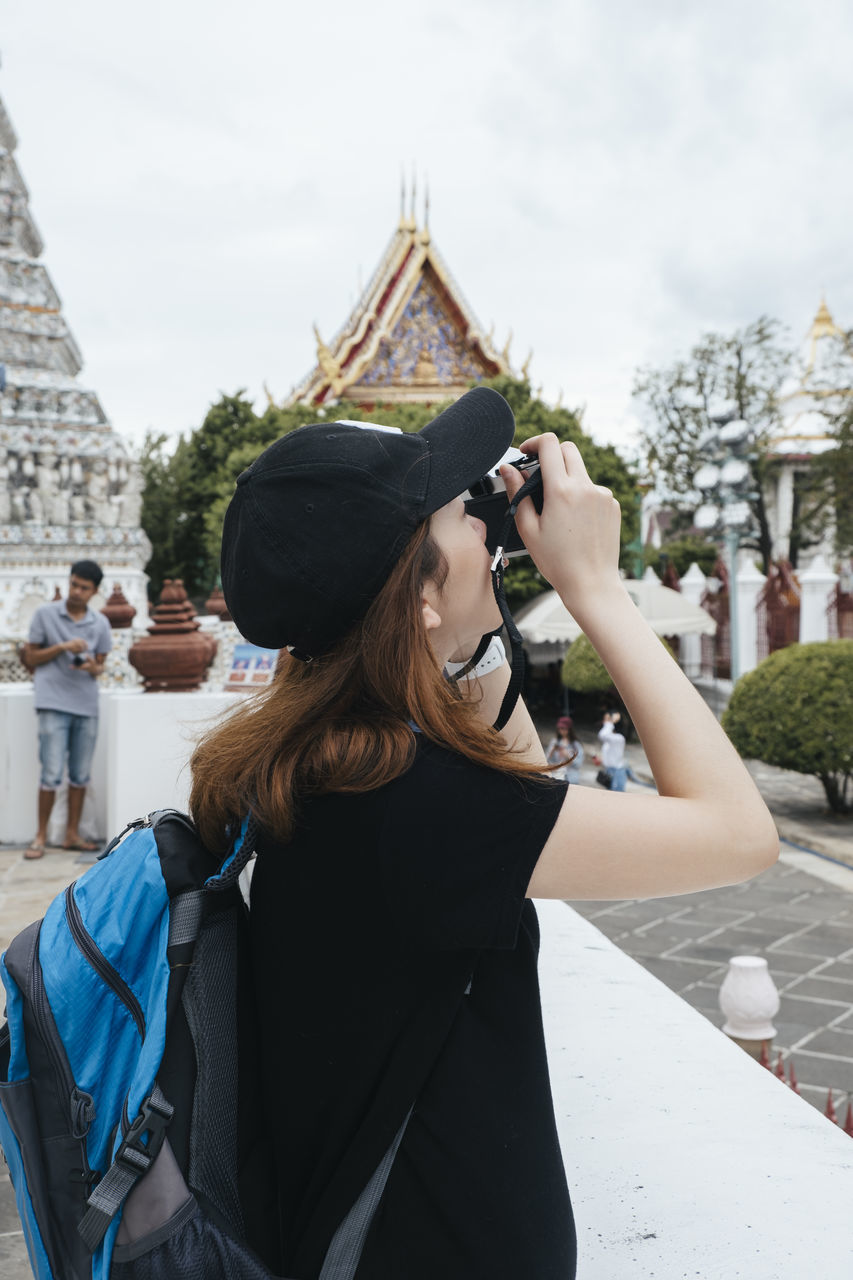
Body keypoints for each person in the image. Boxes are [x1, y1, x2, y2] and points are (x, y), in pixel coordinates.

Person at [189, 388, 778, 1280]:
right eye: (461, 510)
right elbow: (739, 834)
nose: (487, 517)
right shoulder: (407, 805)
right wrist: (596, 591)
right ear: (418, 595)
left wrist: (468, 634)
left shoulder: (329, 759)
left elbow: (518, 782)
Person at [24, 560, 111, 857]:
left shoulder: (100, 623)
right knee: (50, 772)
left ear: (95, 591)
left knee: (80, 774)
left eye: (84, 587)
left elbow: (100, 667)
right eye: (74, 584)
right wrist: (61, 647)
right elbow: (31, 658)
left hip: (86, 704)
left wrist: (90, 666)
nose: (76, 591)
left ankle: (71, 835)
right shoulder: (45, 614)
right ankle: (39, 836)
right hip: (51, 702)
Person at [545, 714, 584, 782]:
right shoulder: (554, 741)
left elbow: (578, 764)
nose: (561, 730)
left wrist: (568, 755)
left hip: (572, 779)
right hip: (557, 777)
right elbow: (547, 761)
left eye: (563, 728)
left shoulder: (576, 745)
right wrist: (552, 751)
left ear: (569, 729)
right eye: (559, 728)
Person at [598, 709, 628, 791]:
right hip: (609, 771)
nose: (605, 722)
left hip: (616, 773)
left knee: (617, 800)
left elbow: (602, 735)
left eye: (608, 719)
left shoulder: (619, 738)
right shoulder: (611, 737)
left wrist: (609, 722)